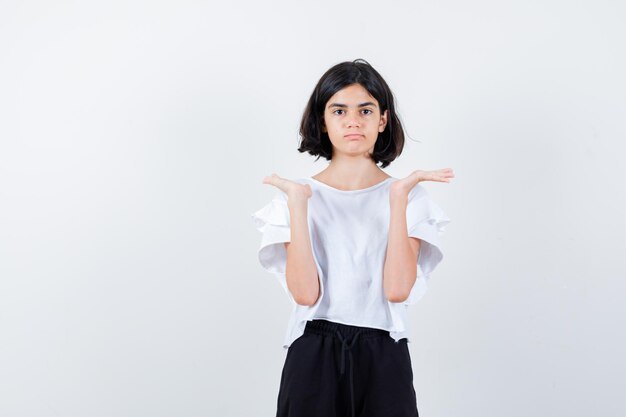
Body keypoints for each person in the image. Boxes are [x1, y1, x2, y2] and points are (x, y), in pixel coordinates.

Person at [251, 58, 454, 417]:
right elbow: (305, 294)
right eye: (339, 110)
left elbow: (396, 290)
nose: (353, 121)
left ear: (383, 120)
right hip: (313, 347)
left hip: (383, 349)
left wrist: (396, 199)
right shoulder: (294, 196)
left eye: (365, 109)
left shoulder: (409, 196)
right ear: (322, 121)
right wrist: (298, 205)